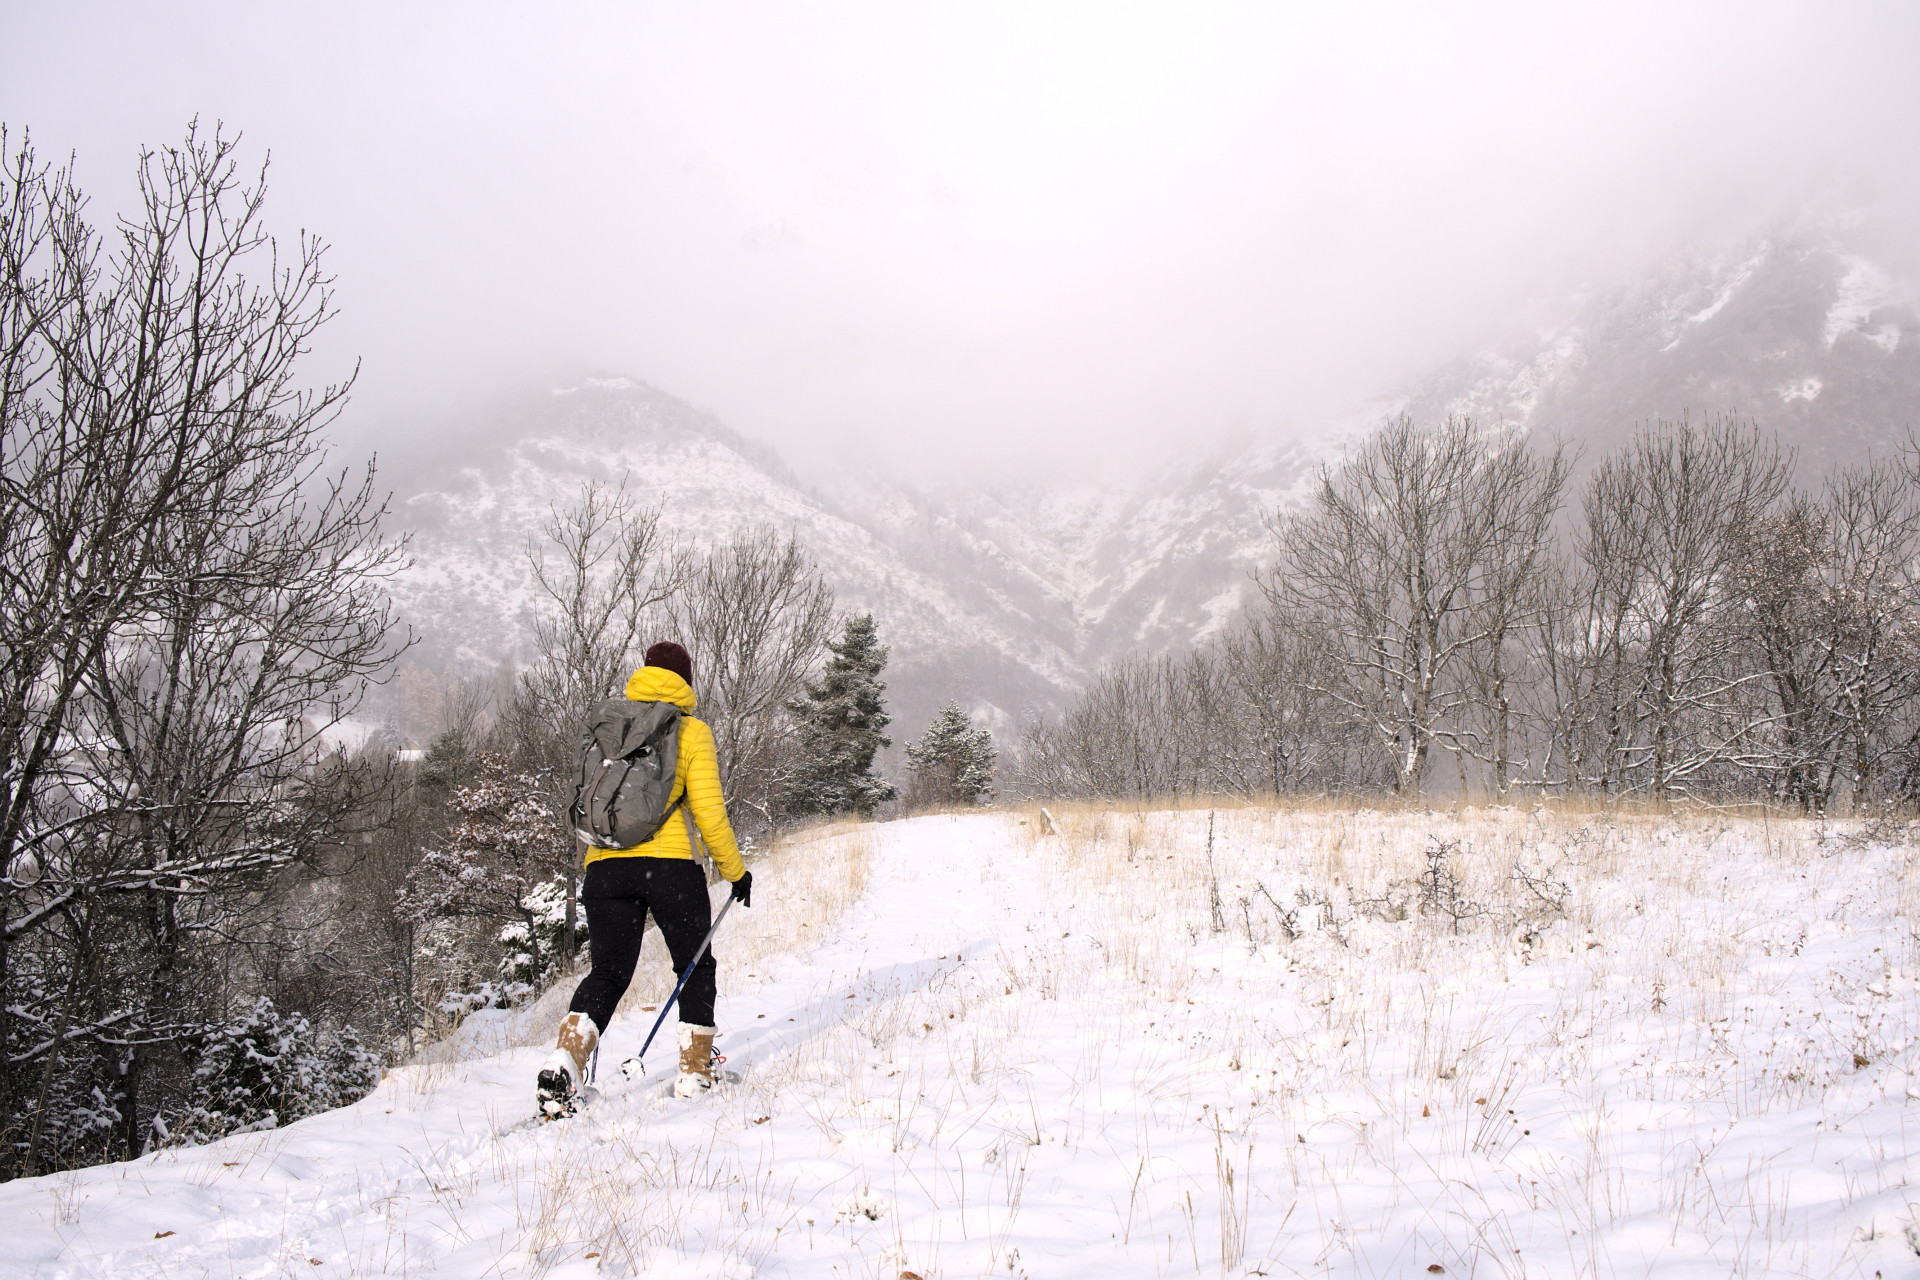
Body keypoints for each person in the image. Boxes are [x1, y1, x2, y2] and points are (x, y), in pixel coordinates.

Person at [537, 641, 754, 1112]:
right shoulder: (691, 731)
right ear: (686, 680)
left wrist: (592, 864)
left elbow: (585, 801)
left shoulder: (606, 727)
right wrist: (736, 873)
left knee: (609, 972)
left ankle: (564, 1063)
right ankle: (695, 1073)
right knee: (694, 964)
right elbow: (710, 817)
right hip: (671, 868)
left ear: (644, 674)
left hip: (604, 867)